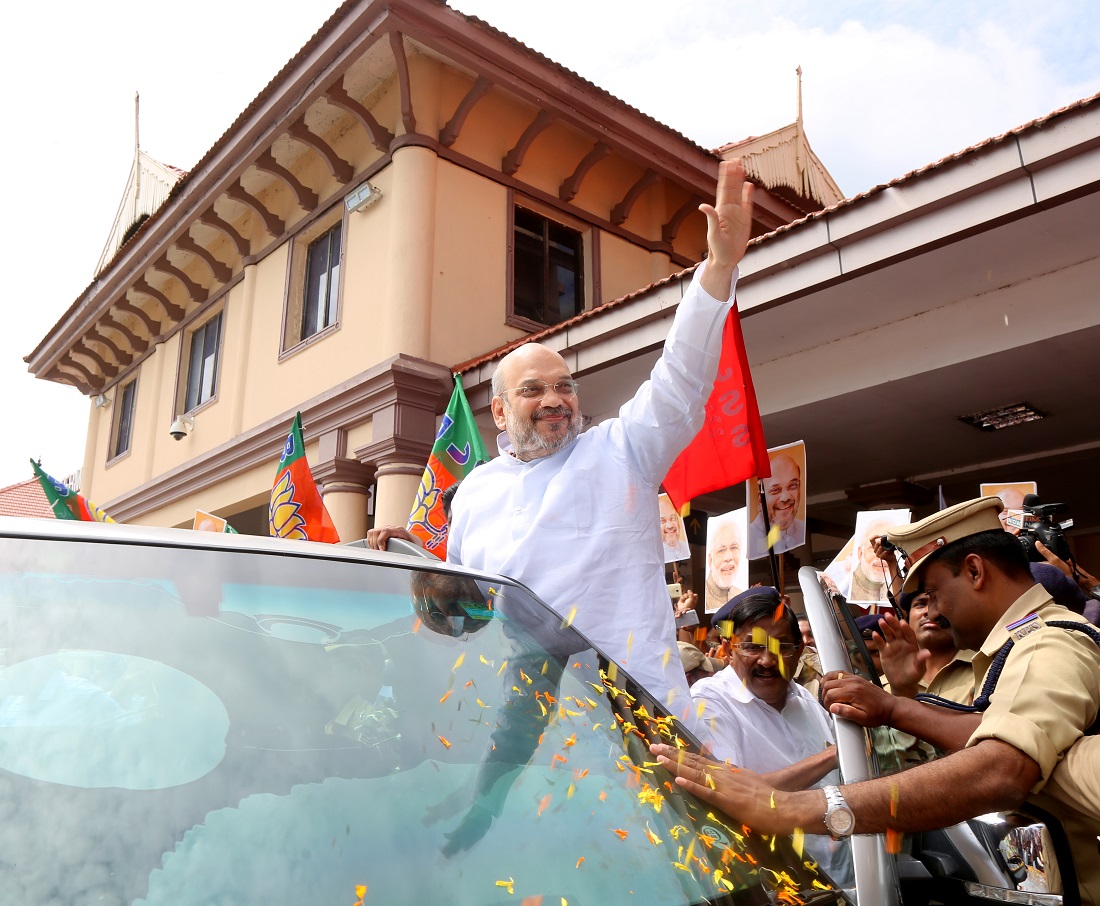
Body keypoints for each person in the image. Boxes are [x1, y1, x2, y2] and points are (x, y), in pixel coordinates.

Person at [653, 497, 1100, 903]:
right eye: (752, 647)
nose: (935, 612)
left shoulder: (1044, 646)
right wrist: (896, 703)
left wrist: (792, 806)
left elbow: (1000, 768)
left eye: (935, 593)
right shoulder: (1016, 650)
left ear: (975, 572)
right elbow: (981, 738)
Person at [445, 160, 755, 715]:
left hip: (636, 723)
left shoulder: (621, 451)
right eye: (533, 390)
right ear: (497, 411)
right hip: (523, 722)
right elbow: (463, 612)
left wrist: (717, 268)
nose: (554, 400)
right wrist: (412, 566)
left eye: (565, 386)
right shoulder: (474, 493)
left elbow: (680, 378)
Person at [690, 591, 850, 882]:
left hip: (847, 877)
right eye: (753, 647)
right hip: (781, 884)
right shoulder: (709, 701)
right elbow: (729, 793)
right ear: (728, 648)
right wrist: (833, 756)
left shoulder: (806, 699)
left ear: (799, 651)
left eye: (781, 647)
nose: (767, 660)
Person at [747, 452, 805, 555]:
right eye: (775, 490)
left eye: (792, 486)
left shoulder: (802, 528)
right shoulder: (747, 541)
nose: (786, 497)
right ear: (760, 500)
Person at [848, 519, 896, 604]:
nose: (881, 554)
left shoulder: (896, 589)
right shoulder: (845, 589)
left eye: (887, 546)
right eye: (873, 547)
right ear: (860, 553)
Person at [704, 515, 744, 612]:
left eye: (734, 548)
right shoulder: (700, 597)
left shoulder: (742, 596)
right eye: (721, 550)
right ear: (710, 559)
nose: (728, 557)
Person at [658, 494, 690, 562]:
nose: (670, 526)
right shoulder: (656, 556)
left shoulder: (686, 547)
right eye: (663, 521)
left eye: (673, 518)